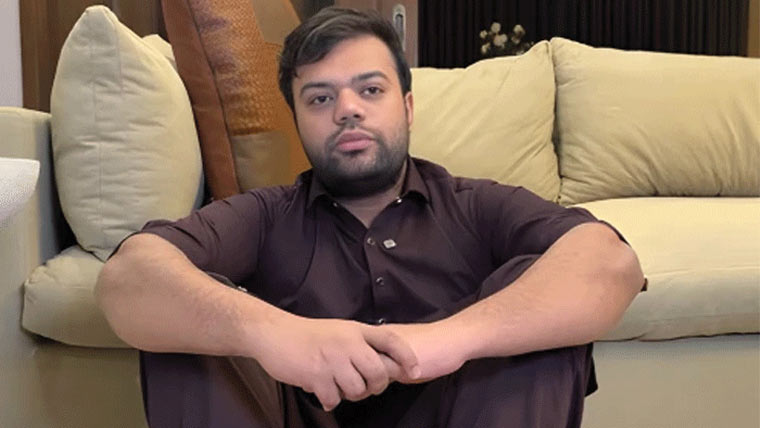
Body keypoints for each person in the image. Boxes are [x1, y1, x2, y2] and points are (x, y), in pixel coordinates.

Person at [95, 7, 645, 428]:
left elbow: (609, 262)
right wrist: (277, 335)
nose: (348, 110)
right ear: (299, 120)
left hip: (461, 413)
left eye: (370, 89)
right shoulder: (266, 215)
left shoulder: (473, 205)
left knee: (539, 298)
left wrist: (446, 341)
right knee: (187, 314)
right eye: (319, 99)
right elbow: (128, 278)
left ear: (407, 107)